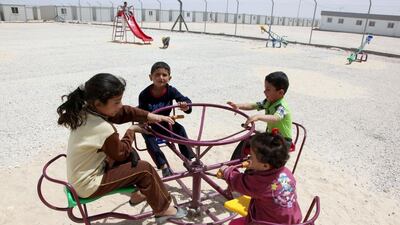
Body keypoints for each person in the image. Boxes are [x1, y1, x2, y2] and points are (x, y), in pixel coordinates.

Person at [57, 73, 186, 224]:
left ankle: (140, 193)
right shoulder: (103, 129)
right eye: (117, 102)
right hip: (88, 184)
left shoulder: (86, 111)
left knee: (132, 154)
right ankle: (164, 209)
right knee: (145, 169)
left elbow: (123, 112)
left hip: (82, 173)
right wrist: (131, 131)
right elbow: (121, 153)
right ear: (98, 103)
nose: (120, 105)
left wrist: (151, 116)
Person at [219, 131, 302, 225]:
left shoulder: (261, 184)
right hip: (292, 220)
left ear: (265, 166)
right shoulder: (286, 172)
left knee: (233, 223)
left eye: (252, 157)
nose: (248, 158)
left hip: (267, 222)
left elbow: (238, 182)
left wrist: (226, 171)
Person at [138, 61, 195, 177]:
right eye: (157, 75)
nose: (161, 77)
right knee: (149, 138)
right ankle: (163, 165)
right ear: (150, 77)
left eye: (164, 75)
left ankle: (189, 158)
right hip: (151, 124)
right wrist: (147, 121)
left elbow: (185, 101)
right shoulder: (144, 94)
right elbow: (143, 115)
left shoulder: (171, 91)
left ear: (169, 78)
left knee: (180, 129)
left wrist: (185, 106)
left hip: (165, 123)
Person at [227, 71, 292, 159]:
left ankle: (254, 168)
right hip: (272, 137)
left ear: (280, 92)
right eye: (265, 88)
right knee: (246, 141)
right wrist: (238, 105)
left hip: (283, 142)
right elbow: (253, 105)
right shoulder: (268, 102)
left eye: (268, 89)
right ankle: (232, 167)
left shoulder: (282, 106)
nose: (264, 92)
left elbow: (276, 117)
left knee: (261, 154)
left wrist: (258, 116)